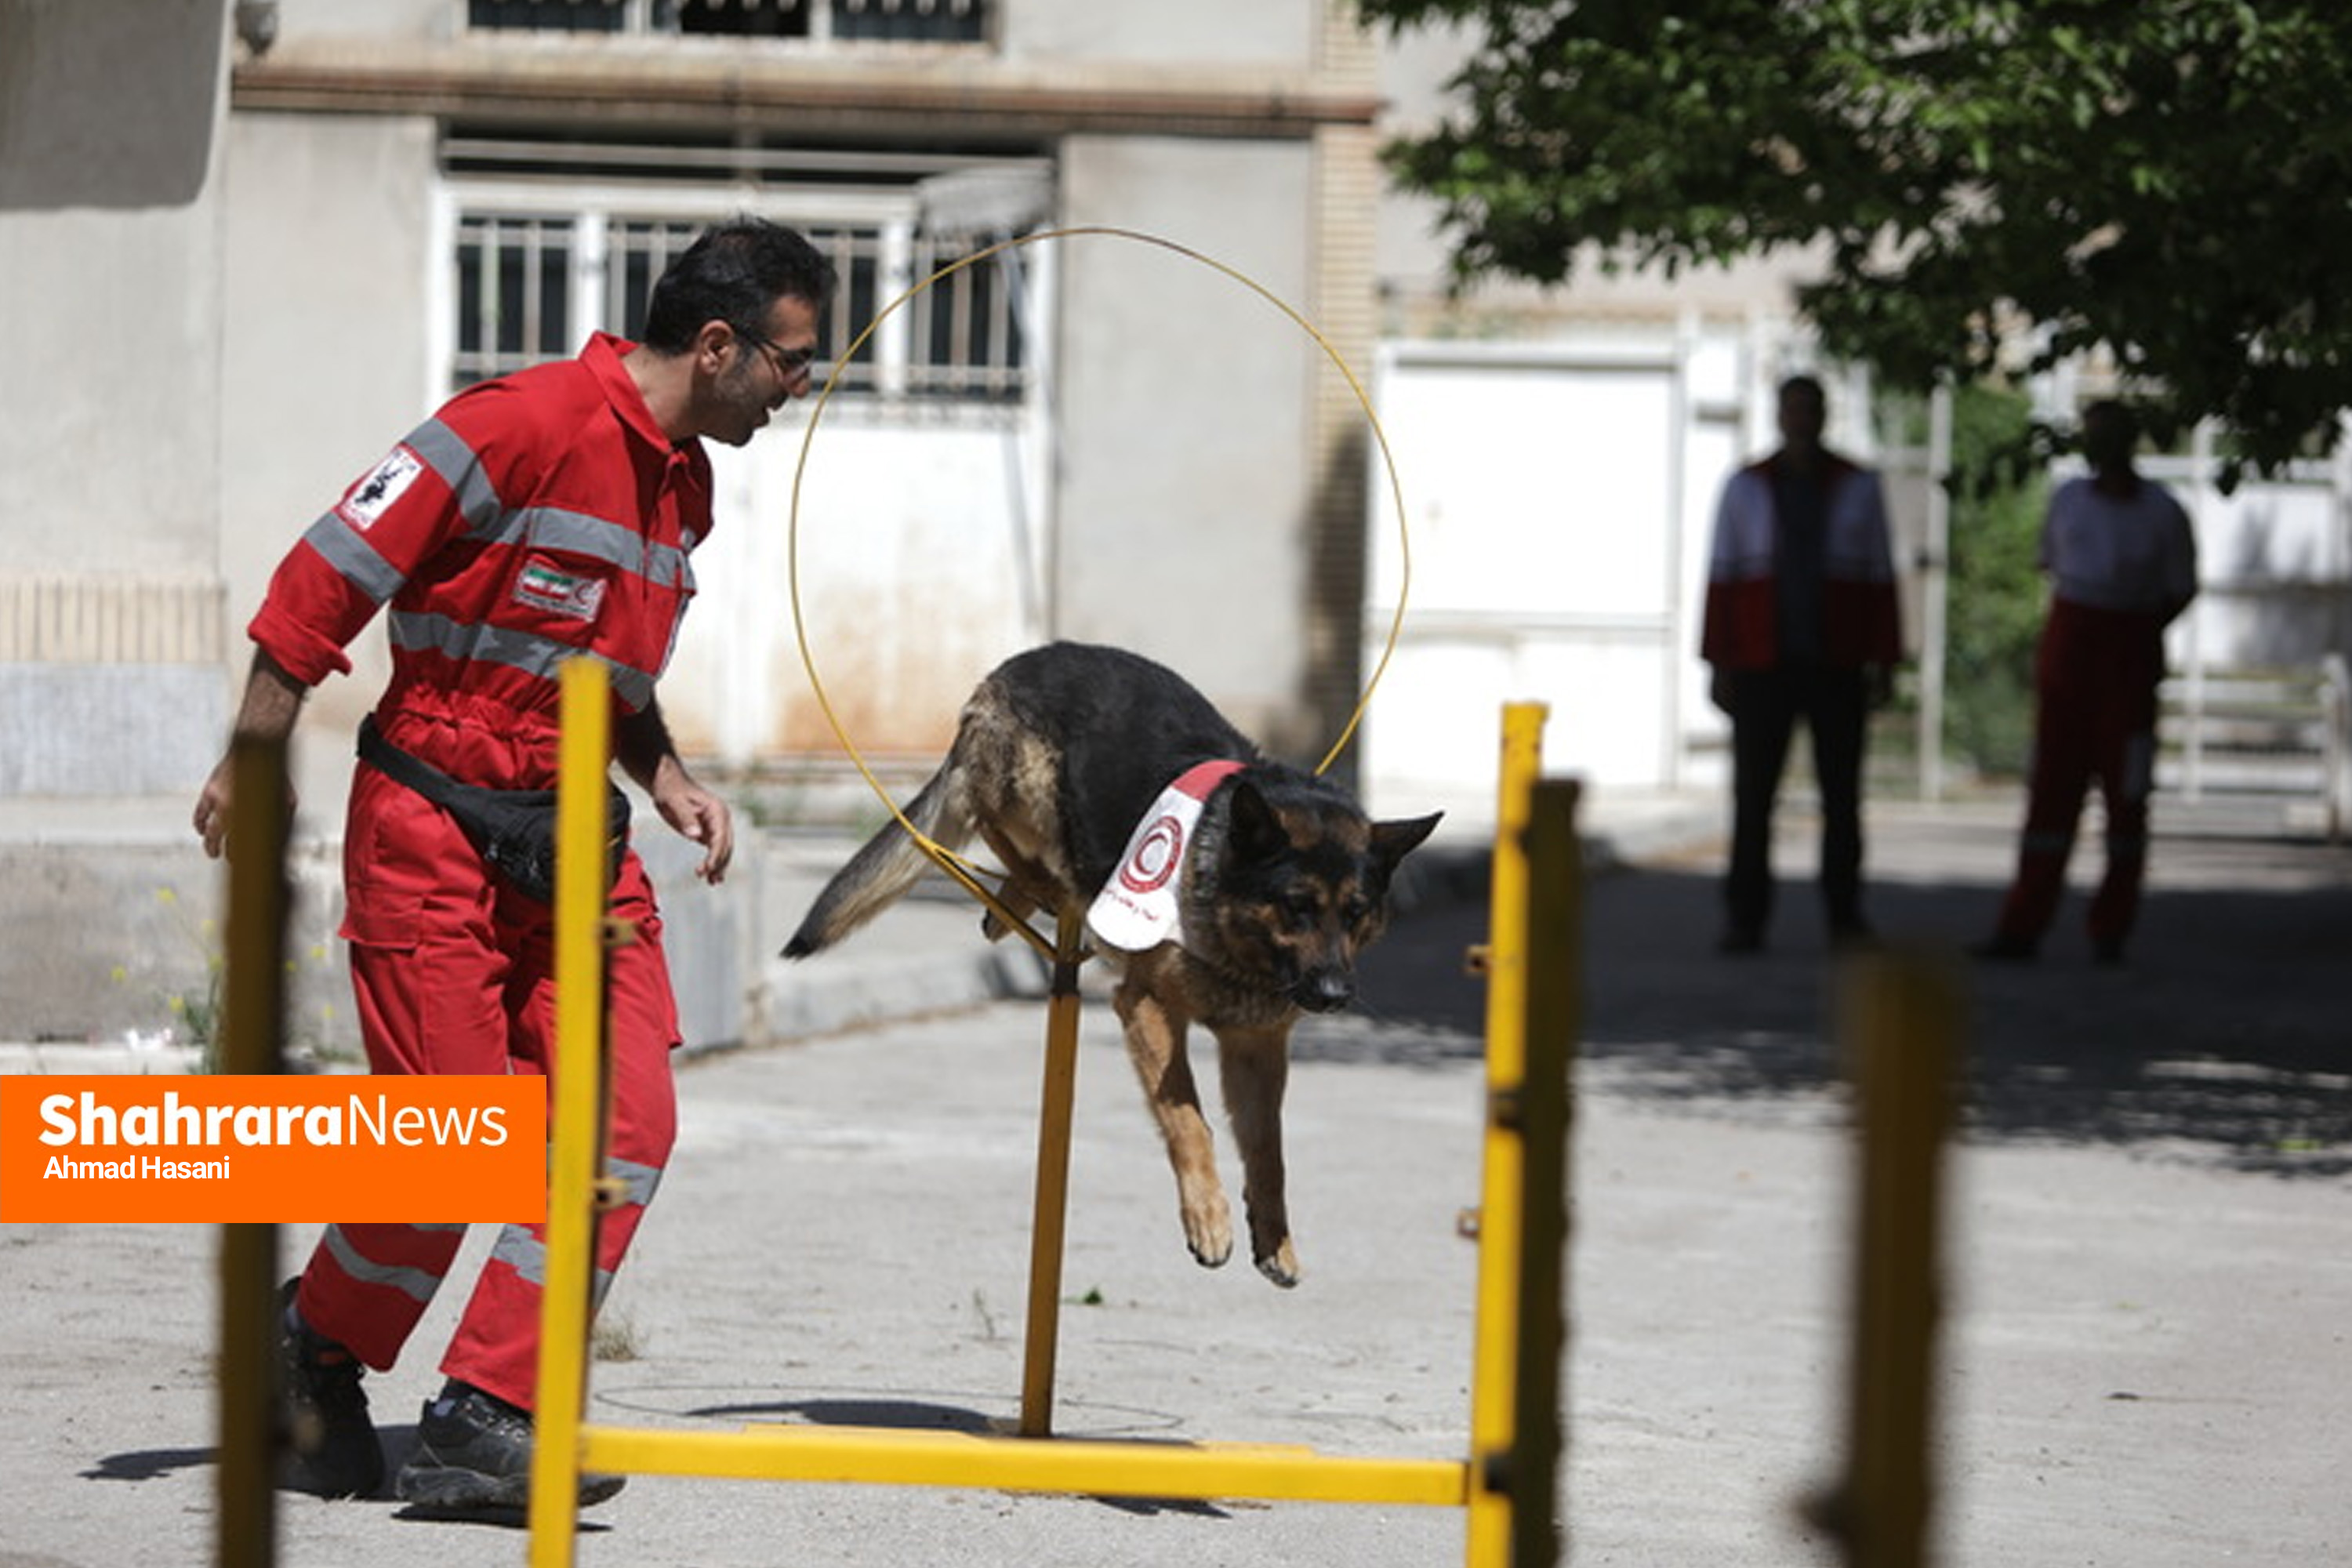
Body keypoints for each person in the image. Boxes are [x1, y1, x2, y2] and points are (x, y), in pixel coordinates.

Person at [191, 217, 837, 1508]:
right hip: (433, 822)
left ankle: (490, 1406)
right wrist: (251, 773)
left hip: (576, 849)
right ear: (716, 347)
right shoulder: (516, 424)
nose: (799, 388)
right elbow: (322, 579)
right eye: (791, 361)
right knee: (454, 1147)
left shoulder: (684, 485)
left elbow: (609, 671)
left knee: (627, 1124)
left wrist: (668, 777)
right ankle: (311, 1351)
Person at [1976, 400, 2198, 964]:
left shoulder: (2163, 511)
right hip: (2070, 657)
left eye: (2113, 436)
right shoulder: (2069, 500)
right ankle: (2022, 925)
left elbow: (2180, 587)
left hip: (2130, 662)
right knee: (2050, 795)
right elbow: (2050, 565)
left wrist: (2134, 628)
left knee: (2127, 801)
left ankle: (2111, 928)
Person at [1700, 373, 1903, 955]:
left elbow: (1880, 575)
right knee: (1753, 798)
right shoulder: (1745, 487)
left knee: (1842, 798)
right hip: (1763, 663)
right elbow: (1722, 576)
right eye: (1791, 408)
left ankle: (1844, 915)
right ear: (1777, 416)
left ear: (1824, 415)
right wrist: (1719, 661)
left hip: (1836, 663)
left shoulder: (1859, 486)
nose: (1800, 419)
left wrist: (1885, 660)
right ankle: (1745, 917)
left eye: (1810, 408)